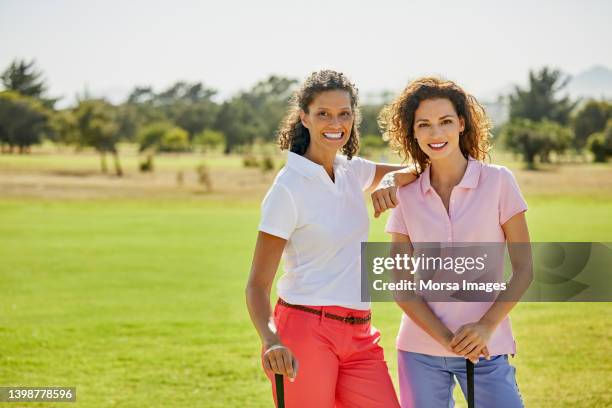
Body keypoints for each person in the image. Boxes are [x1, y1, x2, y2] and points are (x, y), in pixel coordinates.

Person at [245, 69, 415, 407]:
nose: (334, 122)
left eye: (344, 113)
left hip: (361, 333)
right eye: (323, 113)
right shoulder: (288, 188)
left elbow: (419, 169)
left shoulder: (351, 170)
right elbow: (257, 285)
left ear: (353, 117)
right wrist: (271, 339)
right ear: (304, 117)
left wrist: (390, 182)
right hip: (304, 331)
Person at [380, 77, 533, 408]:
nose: (436, 134)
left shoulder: (499, 182)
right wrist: (448, 340)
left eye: (445, 121)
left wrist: (485, 327)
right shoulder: (406, 195)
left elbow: (524, 270)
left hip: (486, 348)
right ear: (413, 132)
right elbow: (402, 288)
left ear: (461, 124)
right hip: (419, 350)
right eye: (425, 125)